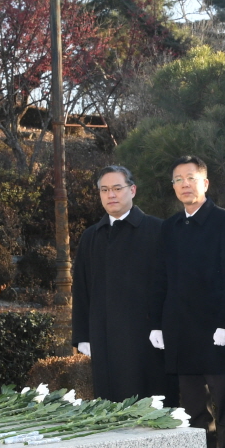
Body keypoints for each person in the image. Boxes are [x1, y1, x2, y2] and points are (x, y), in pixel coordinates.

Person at [157, 156, 225, 448]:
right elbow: (162, 278)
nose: (184, 184)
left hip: (217, 333)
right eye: (177, 179)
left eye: (190, 178)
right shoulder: (170, 227)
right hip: (182, 332)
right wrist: (159, 325)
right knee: (194, 412)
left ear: (205, 183)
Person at [71, 165, 172, 402]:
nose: (111, 195)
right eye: (104, 190)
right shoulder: (91, 236)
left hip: (147, 338)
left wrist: (162, 326)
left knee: (151, 406)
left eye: (117, 188)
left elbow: (168, 285)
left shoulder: (157, 230)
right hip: (104, 338)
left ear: (133, 190)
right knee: (110, 405)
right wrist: (82, 336)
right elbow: (82, 290)